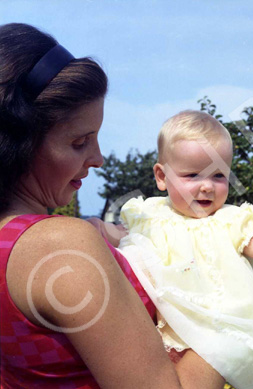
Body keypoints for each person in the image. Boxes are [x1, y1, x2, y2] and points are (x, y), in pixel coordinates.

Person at [0, 23, 225, 389]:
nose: (99, 158)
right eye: (79, 142)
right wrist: (232, 304)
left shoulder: (11, 243)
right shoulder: (60, 245)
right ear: (20, 144)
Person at [97, 110, 253, 389]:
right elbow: (121, 236)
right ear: (162, 176)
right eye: (192, 174)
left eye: (218, 175)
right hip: (157, 329)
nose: (207, 186)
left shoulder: (231, 220)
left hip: (216, 333)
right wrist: (93, 229)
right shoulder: (148, 214)